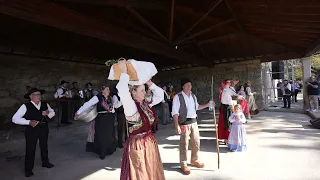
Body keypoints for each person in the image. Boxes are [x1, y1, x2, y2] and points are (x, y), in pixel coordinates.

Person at [115, 60, 165, 180]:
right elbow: (122, 89)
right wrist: (124, 72)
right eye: (142, 90)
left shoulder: (146, 104)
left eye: (144, 89)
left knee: (151, 172)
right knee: (140, 173)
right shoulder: (130, 106)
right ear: (133, 92)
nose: (145, 92)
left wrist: (149, 82)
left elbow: (160, 95)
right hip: (138, 145)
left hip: (149, 142)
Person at [172, 78, 213, 175]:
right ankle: (183, 164)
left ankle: (194, 160)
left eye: (190, 85)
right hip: (184, 123)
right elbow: (175, 113)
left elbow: (197, 107)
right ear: (183, 86)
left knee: (196, 142)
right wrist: (176, 125)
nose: (189, 86)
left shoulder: (193, 96)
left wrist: (207, 105)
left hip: (194, 122)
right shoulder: (178, 97)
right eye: (187, 85)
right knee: (184, 145)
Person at [12, 87, 55, 177]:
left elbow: (52, 112)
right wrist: (28, 122)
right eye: (37, 94)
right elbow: (15, 119)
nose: (39, 96)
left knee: (44, 146)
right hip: (31, 130)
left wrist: (48, 114)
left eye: (39, 94)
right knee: (30, 148)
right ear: (31, 96)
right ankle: (28, 169)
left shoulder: (44, 104)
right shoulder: (25, 106)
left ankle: (45, 162)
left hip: (43, 128)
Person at [75, 86, 122, 159]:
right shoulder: (97, 97)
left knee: (109, 135)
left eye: (109, 89)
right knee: (101, 136)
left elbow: (115, 106)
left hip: (109, 119)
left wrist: (123, 100)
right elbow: (88, 104)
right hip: (101, 119)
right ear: (102, 91)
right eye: (107, 89)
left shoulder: (110, 98)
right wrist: (78, 112)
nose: (109, 91)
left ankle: (108, 150)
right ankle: (102, 152)